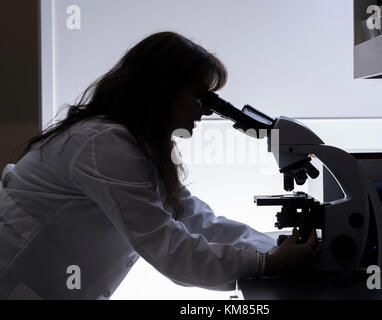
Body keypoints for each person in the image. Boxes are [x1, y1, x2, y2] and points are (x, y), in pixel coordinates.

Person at [0, 32, 319, 300]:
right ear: (162, 90)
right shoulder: (103, 143)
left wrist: (276, 248)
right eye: (200, 97)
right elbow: (171, 249)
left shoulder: (136, 147)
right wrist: (266, 264)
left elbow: (200, 222)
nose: (206, 112)